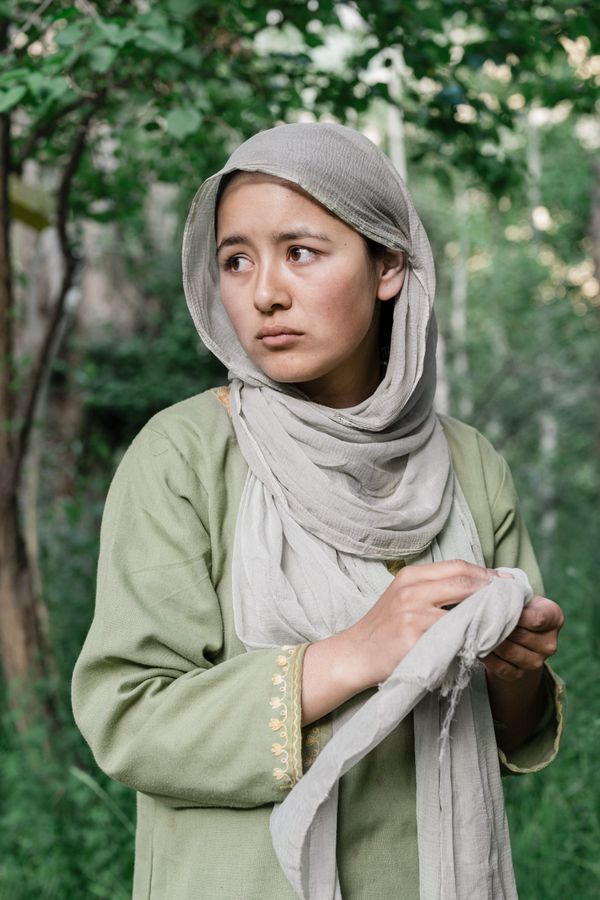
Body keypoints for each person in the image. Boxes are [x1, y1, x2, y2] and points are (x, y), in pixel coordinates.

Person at [72, 122, 565, 900]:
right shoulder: (184, 457)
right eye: (236, 260)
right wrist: (354, 653)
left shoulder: (469, 464)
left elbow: (513, 732)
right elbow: (128, 720)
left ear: (389, 265)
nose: (264, 291)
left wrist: (515, 670)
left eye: (300, 252)